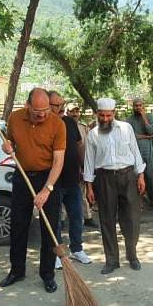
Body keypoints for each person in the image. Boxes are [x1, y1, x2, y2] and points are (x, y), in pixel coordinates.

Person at [0, 88, 65, 293]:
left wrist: (47, 190)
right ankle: (17, 271)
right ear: (28, 106)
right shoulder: (15, 118)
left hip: (48, 177)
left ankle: (47, 274)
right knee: (18, 226)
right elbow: (10, 142)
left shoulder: (58, 124)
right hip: (23, 177)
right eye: (38, 110)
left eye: (46, 109)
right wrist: (7, 147)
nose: (43, 114)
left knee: (49, 229)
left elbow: (58, 160)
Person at [84, 97, 146, 275]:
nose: (105, 119)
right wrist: (89, 187)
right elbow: (89, 162)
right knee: (107, 220)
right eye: (101, 116)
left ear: (114, 113)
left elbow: (135, 151)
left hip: (128, 176)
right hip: (104, 179)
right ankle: (112, 260)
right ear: (97, 114)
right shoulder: (93, 135)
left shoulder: (126, 128)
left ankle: (132, 256)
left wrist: (140, 175)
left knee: (132, 219)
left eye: (108, 116)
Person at [48, 92, 92, 268]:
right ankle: (57, 254)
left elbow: (79, 146)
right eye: (55, 105)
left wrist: (84, 169)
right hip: (54, 182)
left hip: (73, 180)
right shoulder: (45, 125)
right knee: (56, 219)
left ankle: (77, 248)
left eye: (61, 104)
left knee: (77, 216)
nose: (60, 109)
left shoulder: (69, 122)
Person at [126, 98, 153, 208]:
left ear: (143, 106)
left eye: (140, 105)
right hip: (135, 152)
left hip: (148, 151)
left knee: (151, 175)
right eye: (136, 105)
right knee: (136, 176)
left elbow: (152, 131)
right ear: (133, 107)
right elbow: (132, 136)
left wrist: (144, 118)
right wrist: (147, 137)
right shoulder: (129, 120)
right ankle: (139, 200)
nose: (138, 107)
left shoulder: (149, 117)